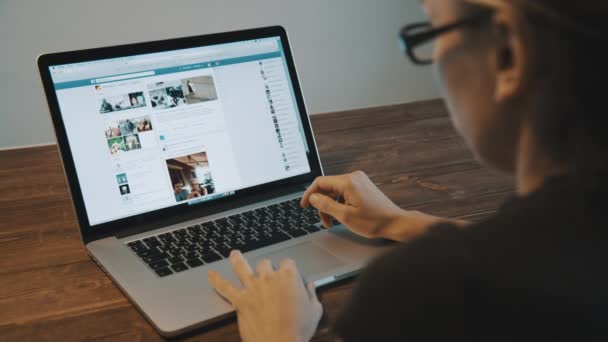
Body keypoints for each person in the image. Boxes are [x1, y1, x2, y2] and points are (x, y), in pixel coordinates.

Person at [207, 1, 608, 341]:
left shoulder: (425, 288)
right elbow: (543, 254)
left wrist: (278, 334)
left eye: (434, 29)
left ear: (508, 54)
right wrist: (401, 222)